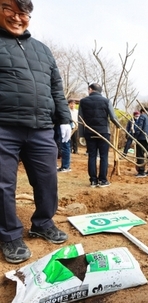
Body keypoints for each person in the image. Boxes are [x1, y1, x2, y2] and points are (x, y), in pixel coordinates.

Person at [0, 0, 71, 264]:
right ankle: (9, 235)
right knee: (3, 184)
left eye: (23, 13)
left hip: (41, 127)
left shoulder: (42, 49)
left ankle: (42, 222)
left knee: (47, 179)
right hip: (4, 126)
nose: (17, 18)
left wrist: (64, 119)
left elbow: (56, 87)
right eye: (10, 10)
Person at [78, 83, 121, 188]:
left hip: (89, 132)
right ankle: (103, 180)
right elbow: (113, 117)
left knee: (92, 156)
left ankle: (93, 180)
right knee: (104, 156)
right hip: (103, 133)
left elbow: (80, 120)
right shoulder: (106, 101)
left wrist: (81, 135)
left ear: (90, 89)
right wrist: (118, 125)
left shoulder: (83, 102)